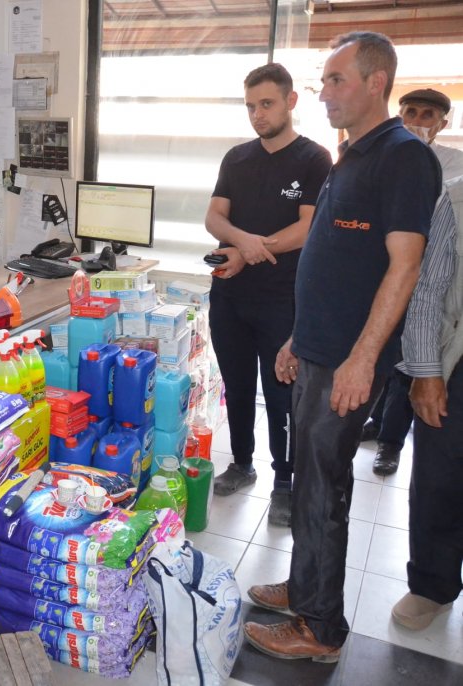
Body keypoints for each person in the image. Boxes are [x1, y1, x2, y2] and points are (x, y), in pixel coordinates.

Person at [244, 32, 442, 662]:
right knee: (309, 479)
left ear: (376, 83)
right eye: (325, 81)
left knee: (324, 489)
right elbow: (334, 264)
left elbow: (405, 266)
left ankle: (320, 628)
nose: (324, 92)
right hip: (319, 349)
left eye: (336, 80)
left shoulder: (404, 157)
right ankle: (304, 588)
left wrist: (362, 358)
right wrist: (298, 337)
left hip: (349, 359)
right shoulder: (350, 155)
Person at [204, 63, 332, 526]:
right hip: (229, 297)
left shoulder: (314, 159)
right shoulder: (237, 158)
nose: (258, 114)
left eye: (267, 104)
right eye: (250, 106)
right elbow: (214, 218)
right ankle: (242, 463)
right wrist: (242, 243)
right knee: (236, 387)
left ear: (290, 101)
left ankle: (284, 482)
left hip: (282, 300)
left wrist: (249, 250)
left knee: (282, 396)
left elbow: (308, 228)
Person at [359, 87, 463, 476]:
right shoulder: (385, 156)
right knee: (383, 358)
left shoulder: (454, 166)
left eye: (427, 115)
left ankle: (391, 443)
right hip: (382, 275)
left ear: (442, 123)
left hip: (427, 280)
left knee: (411, 366)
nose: (417, 121)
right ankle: (375, 423)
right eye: (411, 112)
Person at [391, 175, 463, 631]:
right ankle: (432, 585)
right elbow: (429, 289)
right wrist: (426, 372)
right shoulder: (456, 196)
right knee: (438, 480)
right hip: (456, 363)